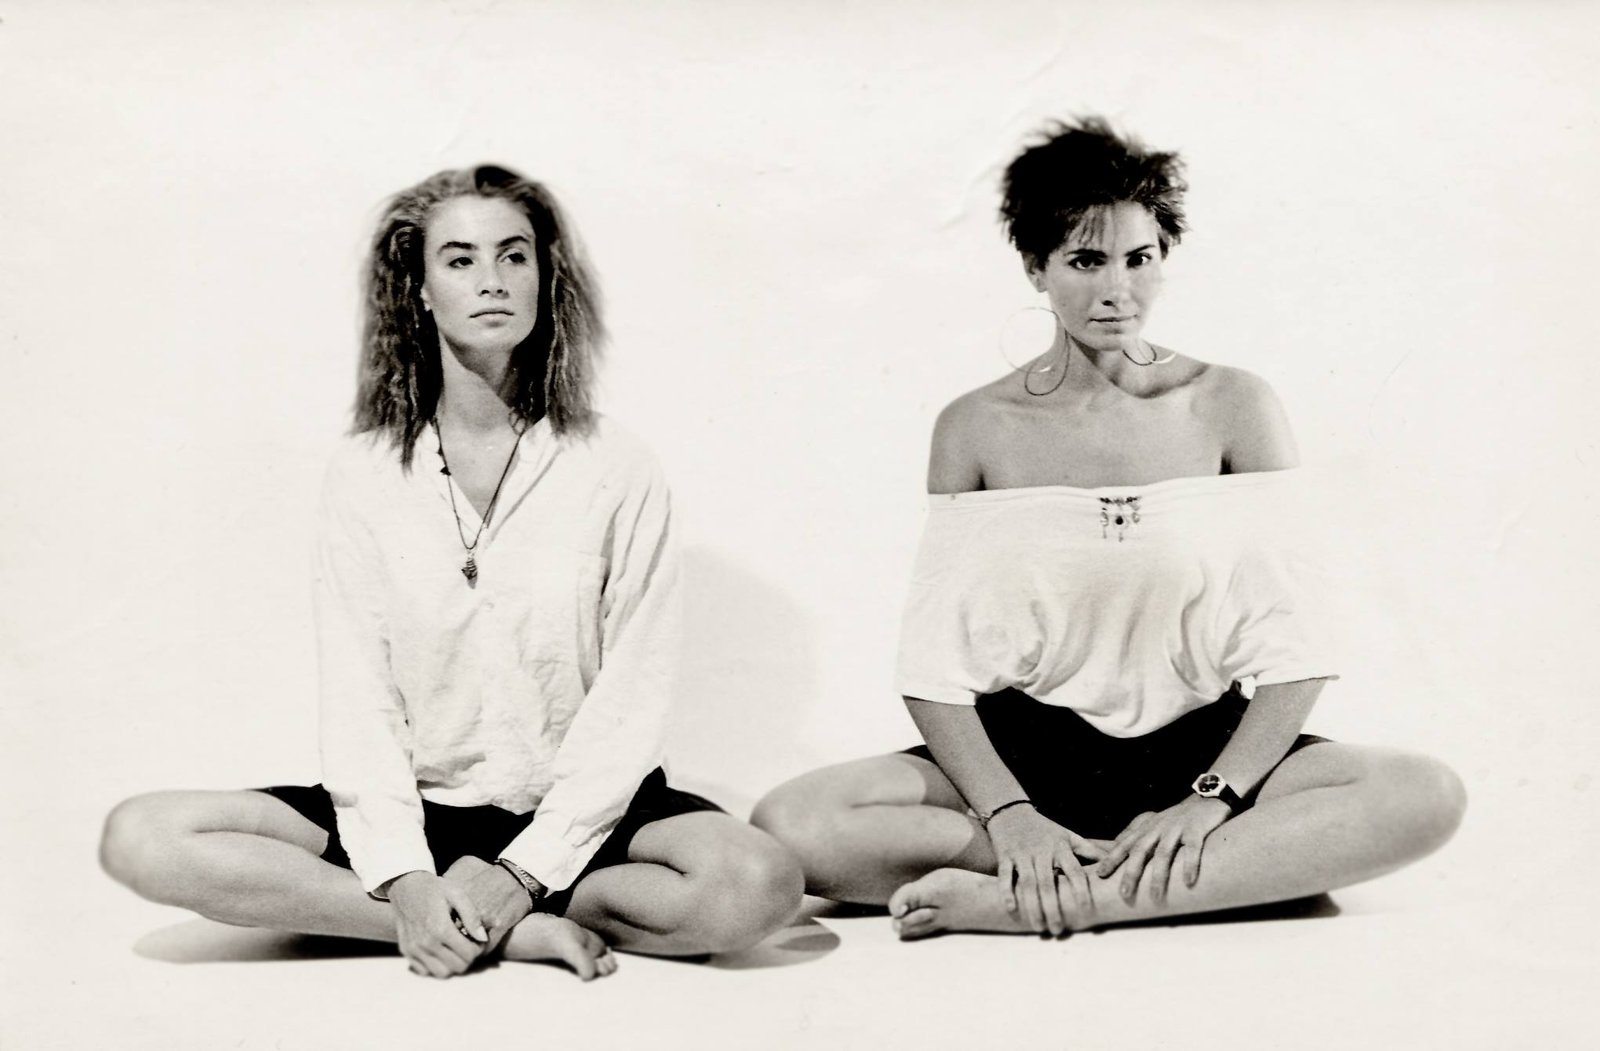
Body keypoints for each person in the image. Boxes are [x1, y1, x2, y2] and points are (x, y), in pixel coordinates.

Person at [752, 119, 1466, 940]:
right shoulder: (975, 426)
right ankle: (1220, 879)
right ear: (1037, 268)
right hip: (1025, 754)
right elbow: (932, 667)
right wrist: (1011, 815)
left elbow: (1297, 647)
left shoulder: (1234, 406)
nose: (1115, 290)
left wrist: (1210, 800)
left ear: (1164, 258)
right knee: (793, 823)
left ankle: (1046, 901)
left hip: (1207, 750)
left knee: (1425, 795)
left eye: (1140, 258)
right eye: (1086, 261)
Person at [101, 164, 802, 978]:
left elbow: (631, 699)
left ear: (546, 280)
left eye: (514, 255)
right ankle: (493, 929)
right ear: (420, 290)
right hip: (416, 813)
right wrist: (402, 874)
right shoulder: (365, 472)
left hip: (581, 817)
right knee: (141, 837)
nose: (491, 280)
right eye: (460, 259)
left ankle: (480, 909)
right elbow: (359, 693)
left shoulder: (615, 465)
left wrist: (526, 868)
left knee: (758, 883)